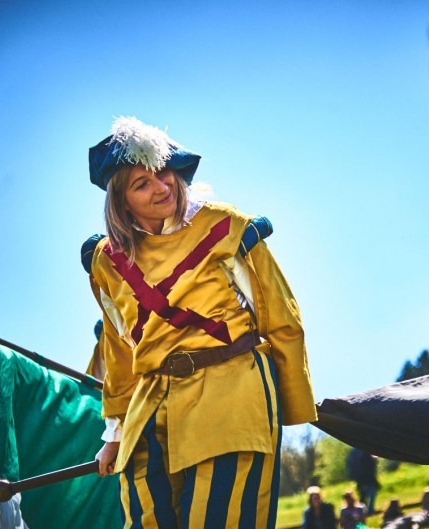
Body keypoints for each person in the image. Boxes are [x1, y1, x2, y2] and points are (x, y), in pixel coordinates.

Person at [85, 116, 317, 528]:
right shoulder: (107, 261)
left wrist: (292, 407)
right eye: (142, 184)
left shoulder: (227, 227)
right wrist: (115, 435)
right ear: (121, 202)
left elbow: (281, 318)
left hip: (230, 393)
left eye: (164, 173)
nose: (162, 187)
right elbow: (119, 353)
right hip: (150, 408)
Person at [346, 447, 380, 514]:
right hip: (366, 478)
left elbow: (350, 464)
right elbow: (372, 462)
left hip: (363, 478)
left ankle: (366, 511)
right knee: (368, 494)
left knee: (365, 495)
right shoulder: (362, 450)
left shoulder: (354, 452)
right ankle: (368, 511)